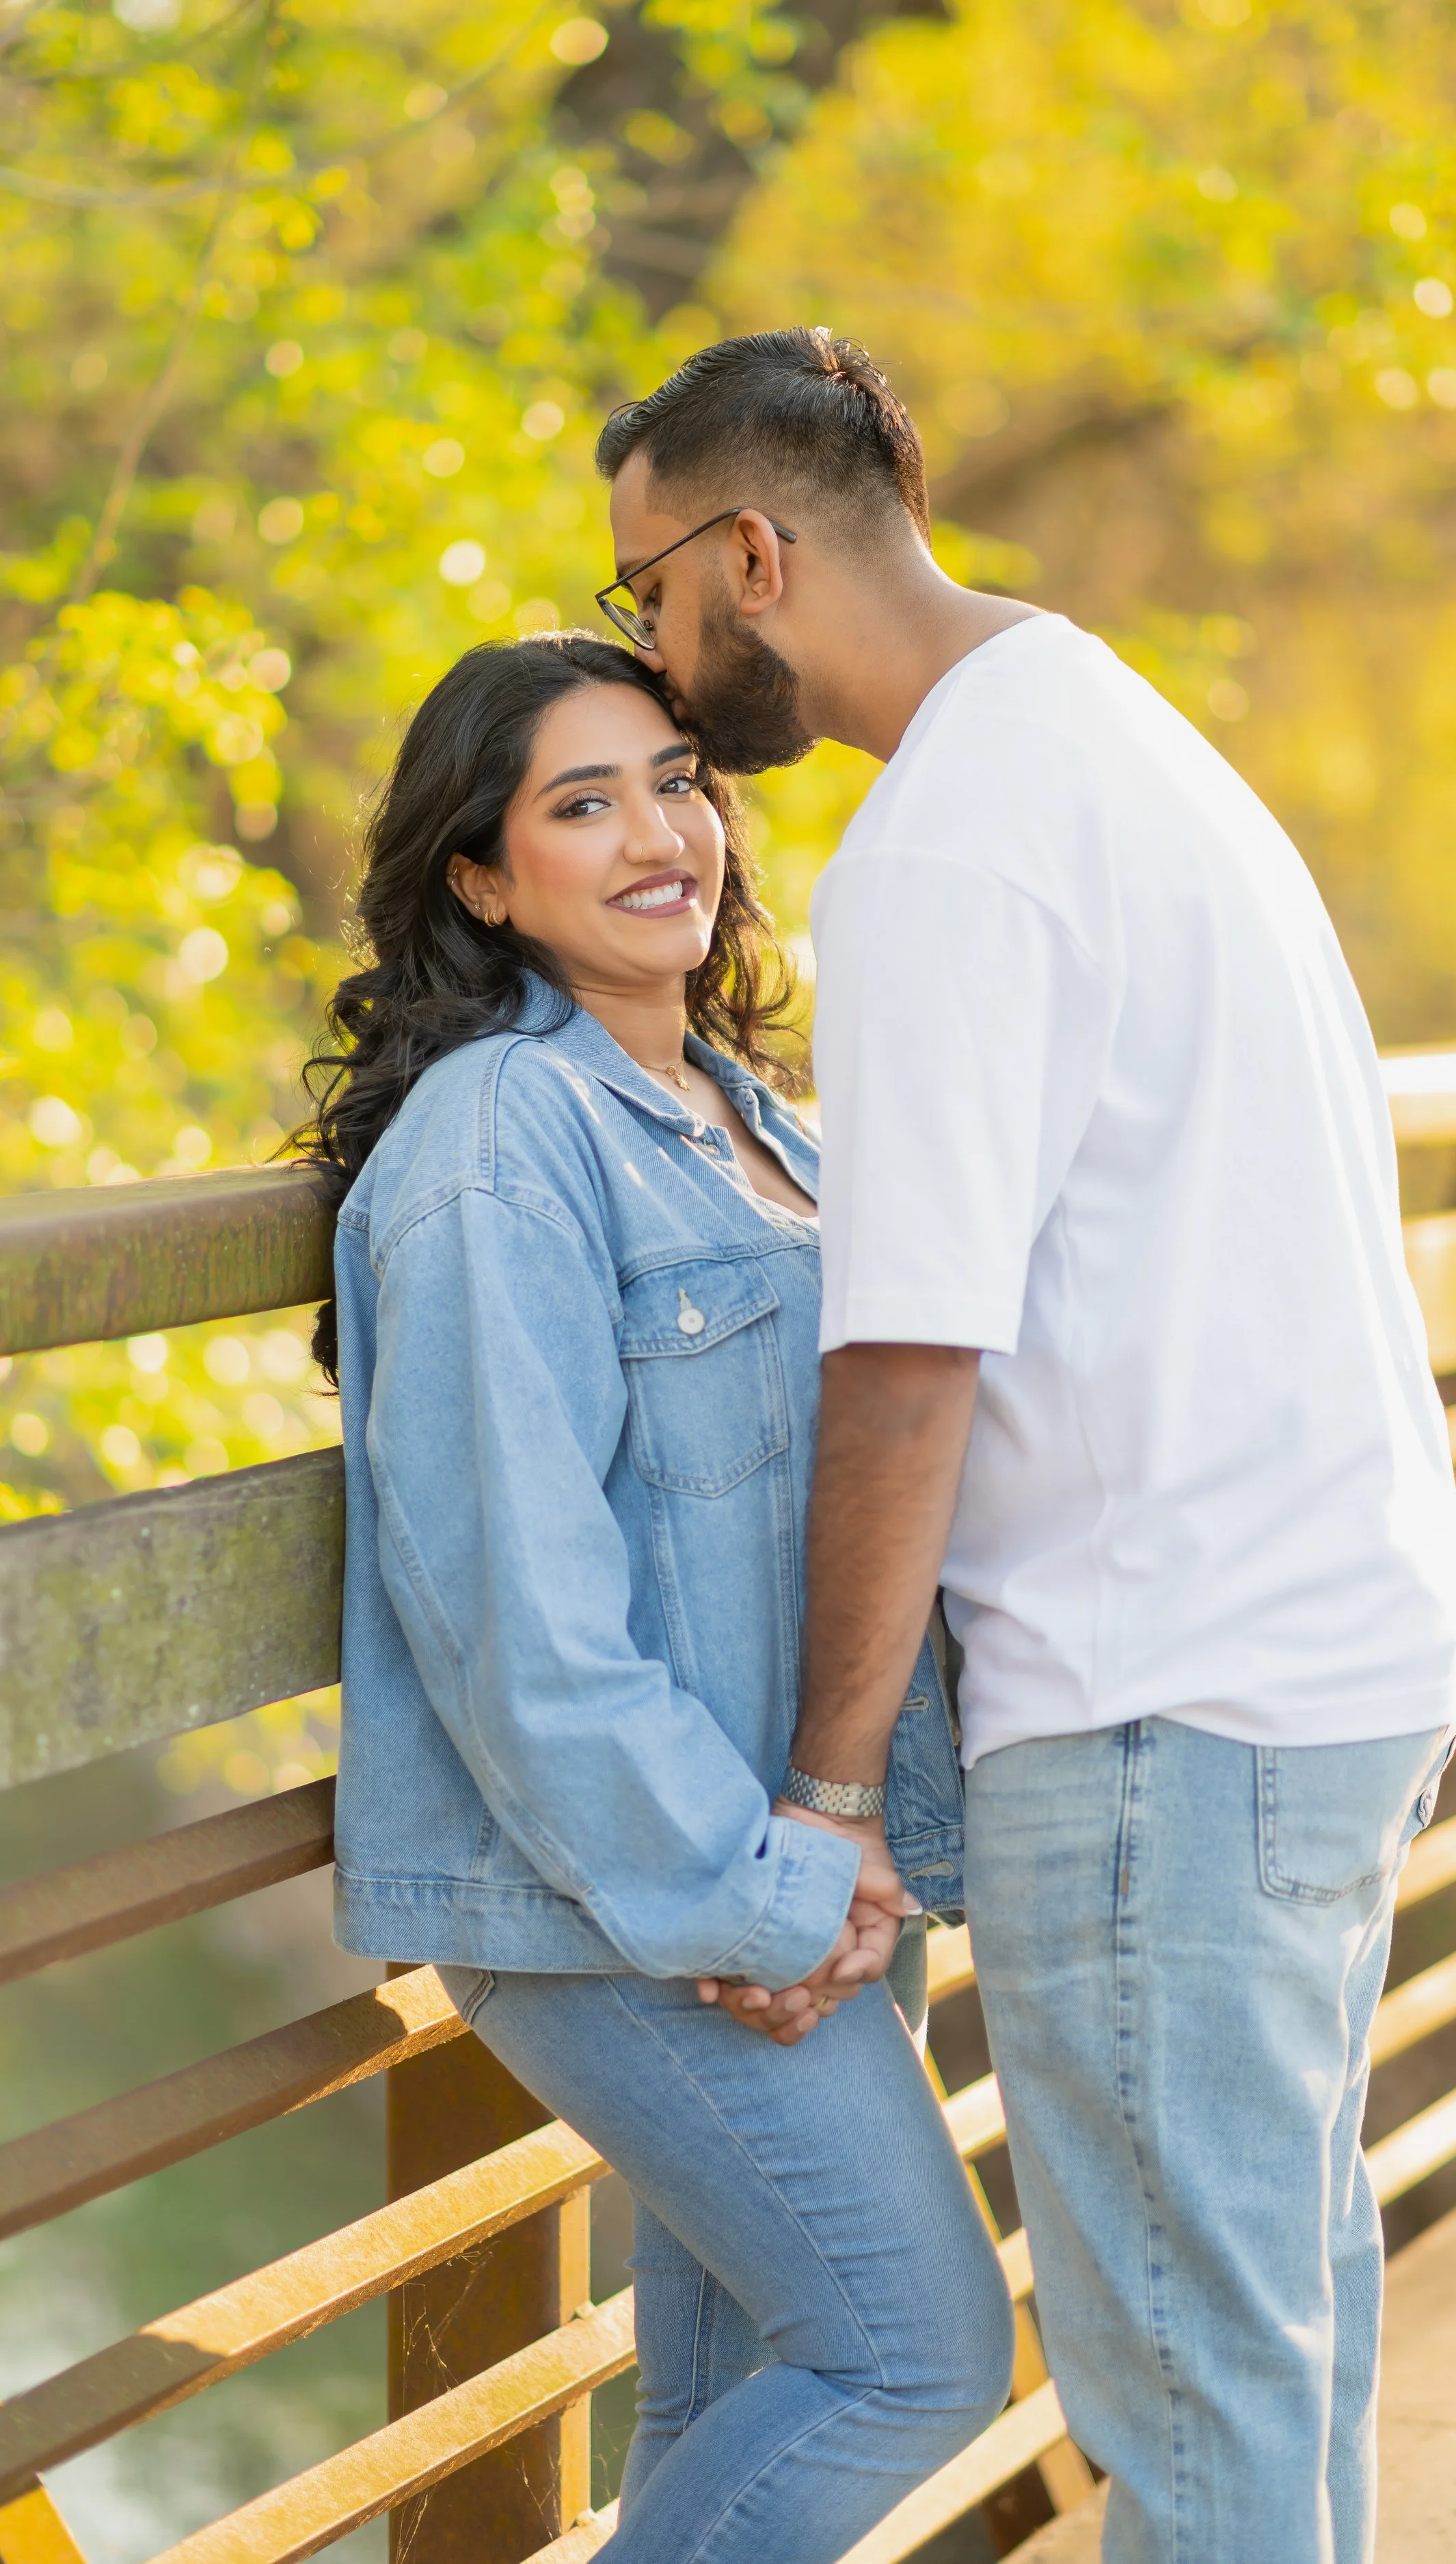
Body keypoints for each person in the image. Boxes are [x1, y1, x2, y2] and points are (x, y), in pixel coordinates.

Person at [593, 328, 1456, 2563]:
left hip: (1164, 1711)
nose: (651, 647)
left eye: (646, 594)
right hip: (1328, 1654)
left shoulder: (952, 846)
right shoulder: (1116, 733)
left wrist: (820, 1785)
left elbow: (909, 1355)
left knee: (1187, 2428)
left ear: (753, 554)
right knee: (1261, 2354)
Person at [302, 630, 1012, 2563]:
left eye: (678, 780)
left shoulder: (759, 1121)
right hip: (638, 1898)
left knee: (731, 2403)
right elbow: (521, 1631)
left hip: (805, 1870)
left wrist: (849, 1840)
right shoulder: (487, 1153)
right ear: (478, 873)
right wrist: (775, 1880)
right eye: (580, 801)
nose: (656, 834)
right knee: (905, 2355)